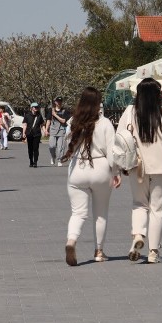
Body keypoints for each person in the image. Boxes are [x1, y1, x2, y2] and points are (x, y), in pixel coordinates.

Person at [117, 78, 162, 264]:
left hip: (136, 165)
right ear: (157, 95)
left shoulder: (129, 113)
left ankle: (138, 235)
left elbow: (118, 140)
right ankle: (153, 251)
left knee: (139, 204)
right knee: (157, 208)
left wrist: (118, 167)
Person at [61, 87, 121, 266]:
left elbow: (66, 146)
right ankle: (99, 251)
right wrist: (116, 172)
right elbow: (112, 151)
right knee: (100, 213)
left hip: (78, 168)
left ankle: (71, 241)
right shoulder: (105, 123)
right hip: (100, 168)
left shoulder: (73, 121)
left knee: (78, 212)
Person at [45, 96, 71, 166]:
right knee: (52, 146)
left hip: (61, 130)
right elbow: (48, 120)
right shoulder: (51, 110)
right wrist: (46, 130)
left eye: (60, 101)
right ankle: (53, 156)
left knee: (61, 147)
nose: (59, 102)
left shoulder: (65, 111)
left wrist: (55, 115)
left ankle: (60, 159)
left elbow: (63, 121)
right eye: (58, 101)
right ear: (55, 102)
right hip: (53, 130)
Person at [23, 102, 45, 168]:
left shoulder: (39, 116)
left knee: (36, 148)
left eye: (37, 107)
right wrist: (23, 133)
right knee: (30, 148)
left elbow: (42, 125)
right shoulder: (27, 115)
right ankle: (31, 161)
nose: (36, 108)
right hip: (29, 134)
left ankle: (35, 162)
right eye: (35, 107)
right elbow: (25, 124)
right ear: (31, 108)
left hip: (37, 134)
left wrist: (45, 131)